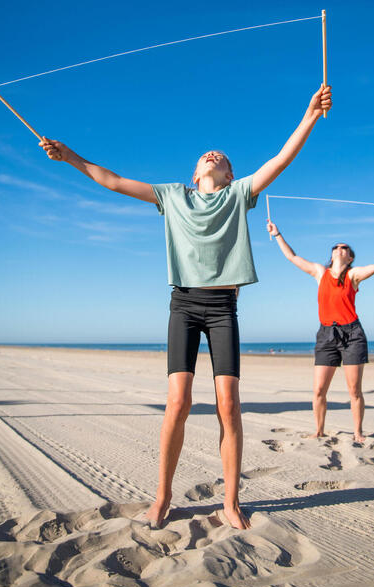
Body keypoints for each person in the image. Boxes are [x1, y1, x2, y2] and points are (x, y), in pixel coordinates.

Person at [38, 84, 331, 529]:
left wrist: (309, 115)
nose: (213, 155)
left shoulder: (239, 196)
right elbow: (113, 180)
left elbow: (281, 159)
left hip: (222, 308)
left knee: (228, 404)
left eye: (223, 158)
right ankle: (162, 498)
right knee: (177, 402)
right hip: (183, 305)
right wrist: (71, 157)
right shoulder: (172, 196)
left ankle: (231, 502)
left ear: (231, 177)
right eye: (206, 156)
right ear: (194, 175)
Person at [265, 219, 374, 443]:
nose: (340, 249)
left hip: (352, 335)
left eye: (344, 247)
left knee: (354, 390)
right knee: (319, 389)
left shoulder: (353, 275)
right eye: (336, 247)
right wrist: (277, 234)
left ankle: (358, 432)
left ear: (350, 257)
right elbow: (293, 257)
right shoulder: (320, 273)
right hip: (326, 335)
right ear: (332, 254)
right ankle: (319, 430)